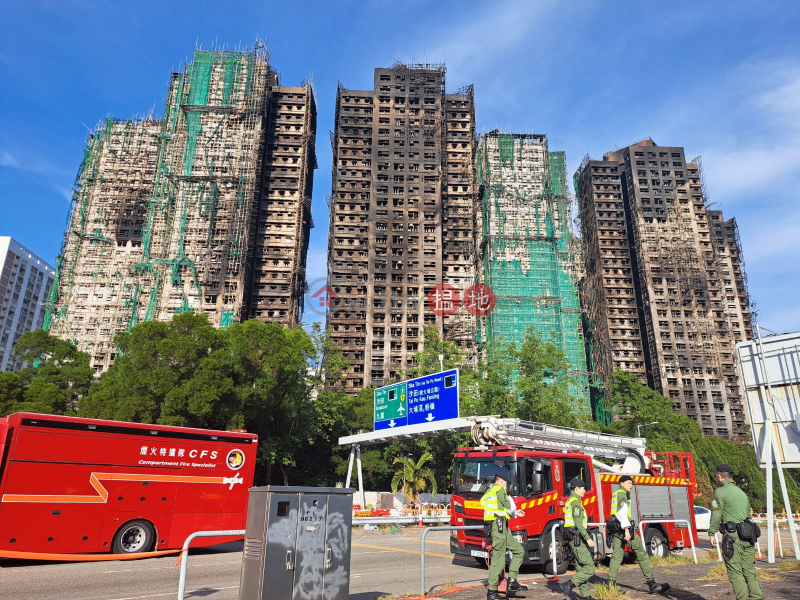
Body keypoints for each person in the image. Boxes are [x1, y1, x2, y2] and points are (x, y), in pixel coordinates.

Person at [708, 464, 764, 600]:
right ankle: (757, 597)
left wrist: (711, 533)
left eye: (716, 475)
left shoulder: (719, 492)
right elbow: (747, 515)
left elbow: (716, 514)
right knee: (749, 571)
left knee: (735, 572)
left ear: (720, 476)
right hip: (748, 535)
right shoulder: (741, 493)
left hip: (732, 537)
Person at [607, 475, 669, 594]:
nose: (631, 485)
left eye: (631, 483)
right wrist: (626, 529)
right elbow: (621, 513)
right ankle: (652, 585)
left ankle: (611, 587)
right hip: (625, 528)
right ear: (621, 483)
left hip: (616, 529)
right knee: (641, 553)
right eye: (629, 483)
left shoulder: (617, 494)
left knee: (616, 557)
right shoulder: (622, 494)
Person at [480, 461, 528, 600]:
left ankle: (512, 581)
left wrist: (514, 513)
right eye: (506, 484)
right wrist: (514, 510)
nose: (507, 486)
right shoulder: (499, 490)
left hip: (499, 527)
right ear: (501, 482)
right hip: (499, 527)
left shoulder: (489, 491)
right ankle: (492, 592)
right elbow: (508, 505)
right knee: (498, 562)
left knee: (519, 550)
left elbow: (500, 508)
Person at [559, 479, 595, 600]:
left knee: (581, 568)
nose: (585, 491)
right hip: (576, 538)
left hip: (574, 538)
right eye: (583, 488)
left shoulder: (572, 501)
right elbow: (578, 523)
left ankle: (586, 596)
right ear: (576, 489)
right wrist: (588, 538)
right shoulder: (575, 502)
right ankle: (568, 585)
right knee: (590, 568)